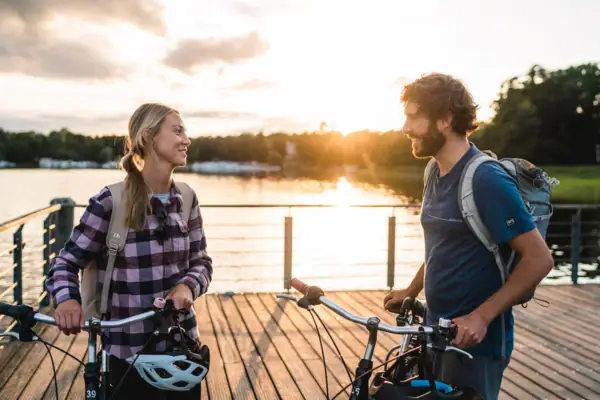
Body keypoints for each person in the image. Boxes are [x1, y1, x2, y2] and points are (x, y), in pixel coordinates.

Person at [383, 73, 554, 399]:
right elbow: (442, 244)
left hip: (476, 346)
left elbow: (539, 259)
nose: (405, 127)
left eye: (413, 117)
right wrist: (411, 289)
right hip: (435, 334)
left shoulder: (486, 180)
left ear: (445, 120)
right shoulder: (433, 170)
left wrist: (480, 317)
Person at [45, 103, 213, 399]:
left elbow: (201, 263)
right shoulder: (111, 201)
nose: (186, 139)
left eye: (185, 131)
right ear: (149, 137)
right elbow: (66, 262)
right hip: (128, 359)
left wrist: (187, 286)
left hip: (183, 354)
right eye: (177, 130)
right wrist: (67, 302)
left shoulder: (187, 198)